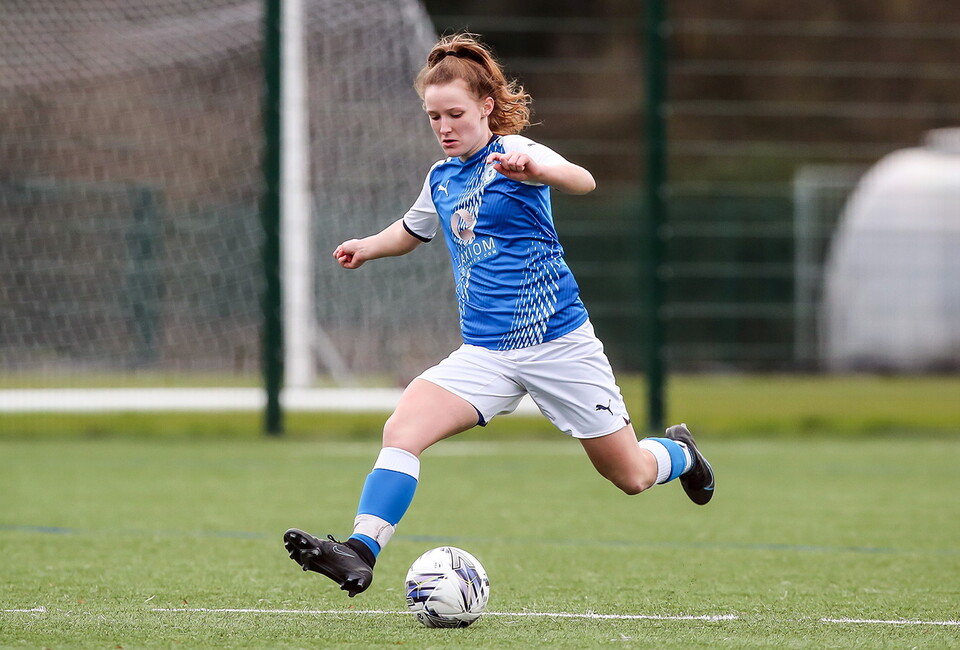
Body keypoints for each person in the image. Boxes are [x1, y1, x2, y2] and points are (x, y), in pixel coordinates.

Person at [283, 33, 714, 597]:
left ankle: (681, 453)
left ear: (486, 106)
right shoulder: (441, 177)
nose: (444, 126)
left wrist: (534, 165)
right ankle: (358, 551)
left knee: (629, 475)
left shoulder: (517, 155)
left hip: (559, 346)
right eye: (434, 116)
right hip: (485, 354)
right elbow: (413, 230)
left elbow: (581, 178)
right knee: (402, 429)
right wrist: (368, 244)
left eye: (455, 113)